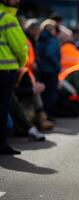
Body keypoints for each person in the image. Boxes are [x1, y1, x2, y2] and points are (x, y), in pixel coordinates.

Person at [0, 0, 28, 155]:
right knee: (3, 108)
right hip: (5, 71)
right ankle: (1, 143)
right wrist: (21, 62)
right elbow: (19, 46)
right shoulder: (9, 19)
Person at [36, 19, 61, 121]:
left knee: (42, 94)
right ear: (52, 30)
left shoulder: (38, 39)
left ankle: (41, 116)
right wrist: (57, 66)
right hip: (51, 71)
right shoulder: (52, 40)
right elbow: (49, 54)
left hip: (40, 70)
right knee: (50, 94)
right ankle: (48, 116)